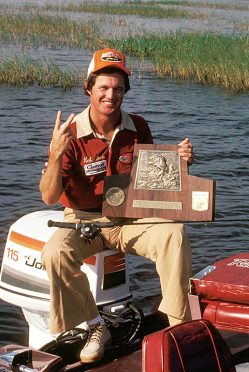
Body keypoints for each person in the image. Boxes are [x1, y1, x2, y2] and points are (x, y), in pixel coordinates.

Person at [40, 48, 194, 363]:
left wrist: (178, 166)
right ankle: (96, 326)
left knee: (173, 233)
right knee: (54, 253)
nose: (112, 95)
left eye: (119, 89)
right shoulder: (69, 134)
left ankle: (180, 325)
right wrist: (55, 155)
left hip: (130, 218)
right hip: (84, 220)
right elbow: (48, 196)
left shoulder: (138, 126)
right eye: (104, 88)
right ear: (89, 89)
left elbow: (153, 186)